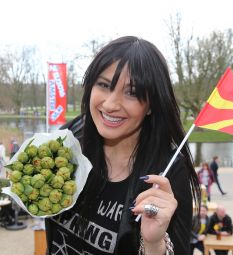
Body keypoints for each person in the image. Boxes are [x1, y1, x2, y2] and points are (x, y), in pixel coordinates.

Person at [45, 36, 201, 254]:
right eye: (104, 85)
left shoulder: (168, 175)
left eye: (131, 92)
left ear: (150, 105)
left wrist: (154, 244)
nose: (110, 104)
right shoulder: (72, 136)